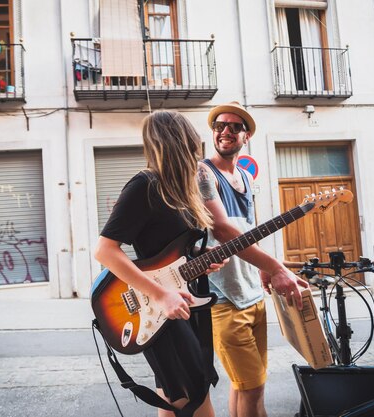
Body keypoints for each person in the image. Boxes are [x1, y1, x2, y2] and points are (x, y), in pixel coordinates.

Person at [94, 110, 227, 417]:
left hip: (178, 303)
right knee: (192, 395)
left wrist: (201, 264)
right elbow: (104, 250)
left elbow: (168, 254)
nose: (198, 145)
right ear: (182, 141)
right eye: (193, 138)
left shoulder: (181, 190)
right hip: (156, 308)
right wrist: (159, 293)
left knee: (174, 396)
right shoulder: (144, 186)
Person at [197, 101, 309, 417]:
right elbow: (221, 228)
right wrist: (274, 266)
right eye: (219, 125)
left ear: (247, 136)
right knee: (253, 388)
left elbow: (249, 227)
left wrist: (260, 270)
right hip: (223, 298)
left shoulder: (246, 177)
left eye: (235, 126)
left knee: (245, 384)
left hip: (252, 294)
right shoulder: (203, 173)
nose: (225, 131)